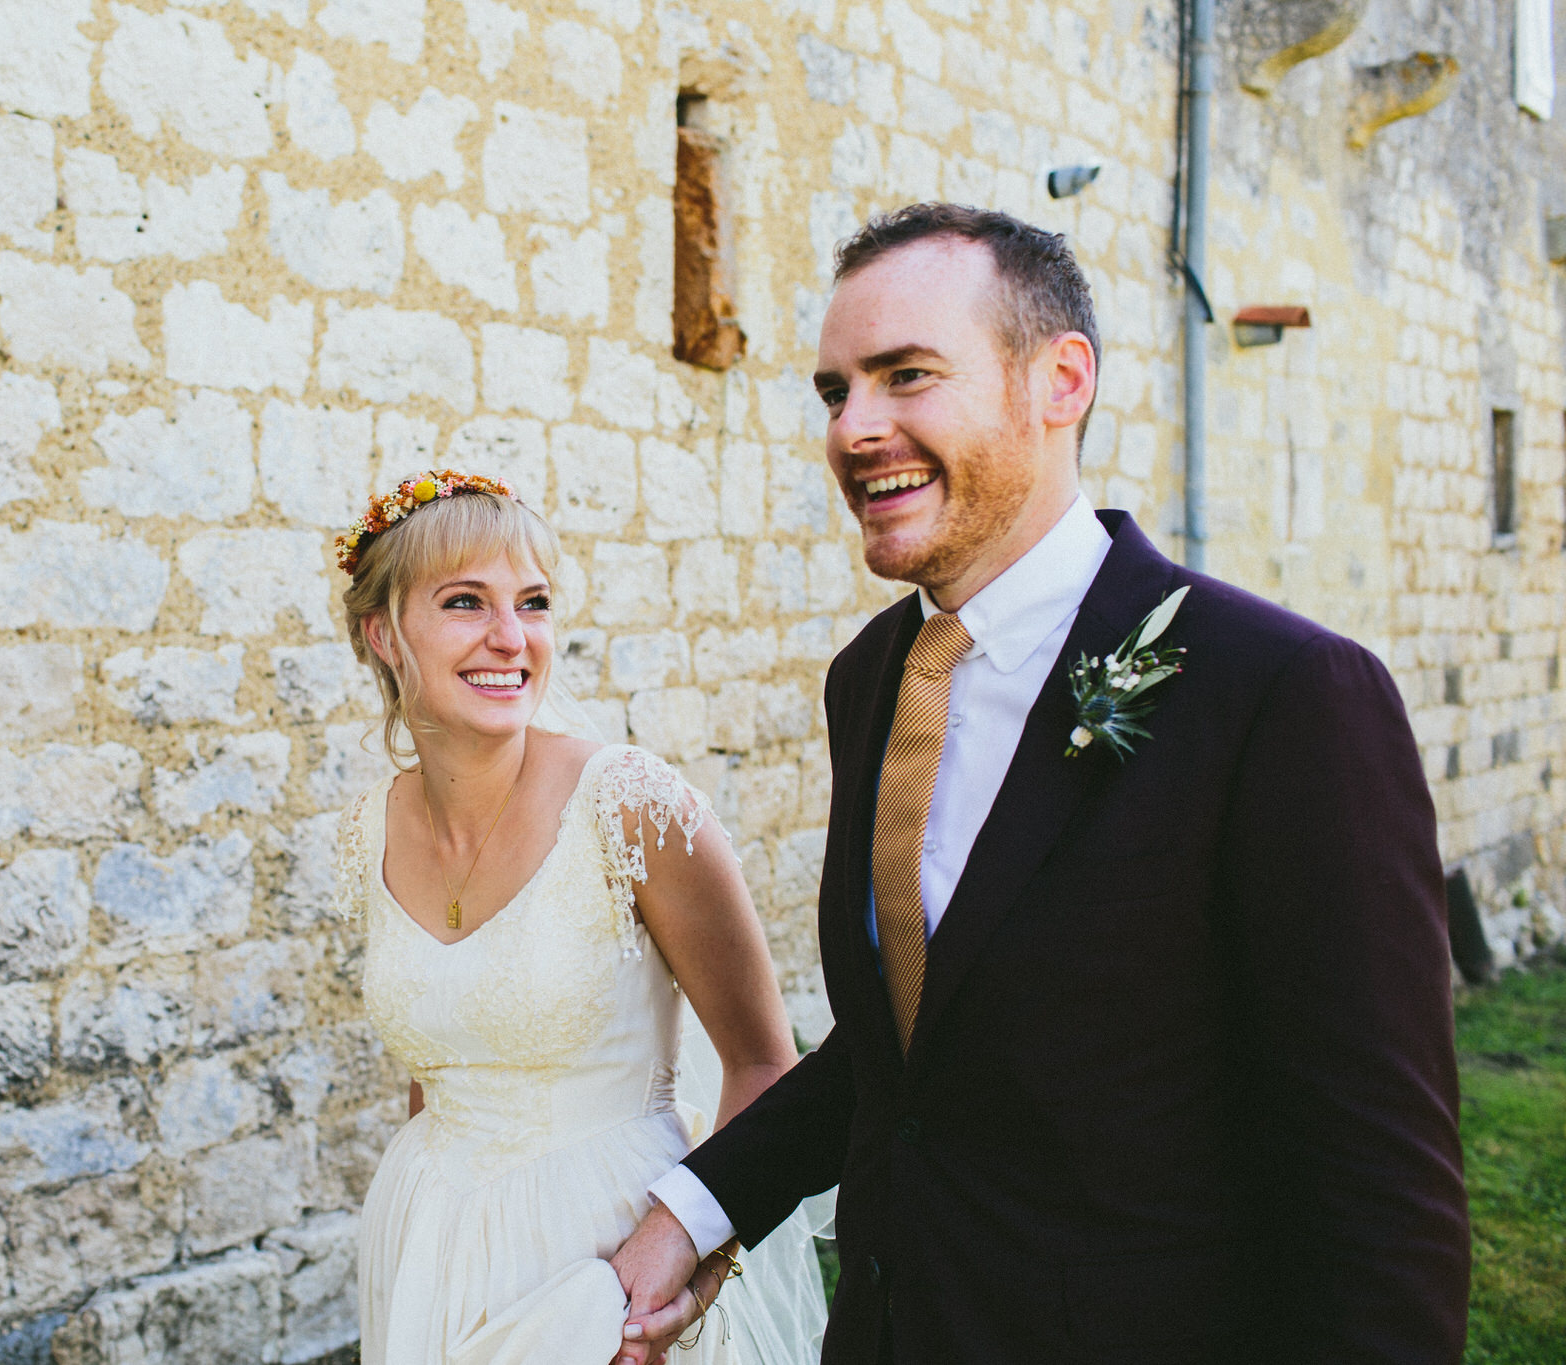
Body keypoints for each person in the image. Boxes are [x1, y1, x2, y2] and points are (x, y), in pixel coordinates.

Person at [609, 204, 1471, 1364]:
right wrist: (691, 1212)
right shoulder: (870, 681)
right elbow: (904, 1055)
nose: (854, 429)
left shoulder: (1279, 694)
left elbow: (1376, 1184)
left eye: (904, 376)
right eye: (831, 392)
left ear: (1058, 379)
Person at [331, 472, 830, 1364]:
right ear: (383, 632)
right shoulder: (369, 828)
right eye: (463, 602)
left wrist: (690, 1253)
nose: (510, 638)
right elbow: (438, 1056)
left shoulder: (629, 804)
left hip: (607, 1259)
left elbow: (764, 1063)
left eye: (533, 602)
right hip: (427, 1246)